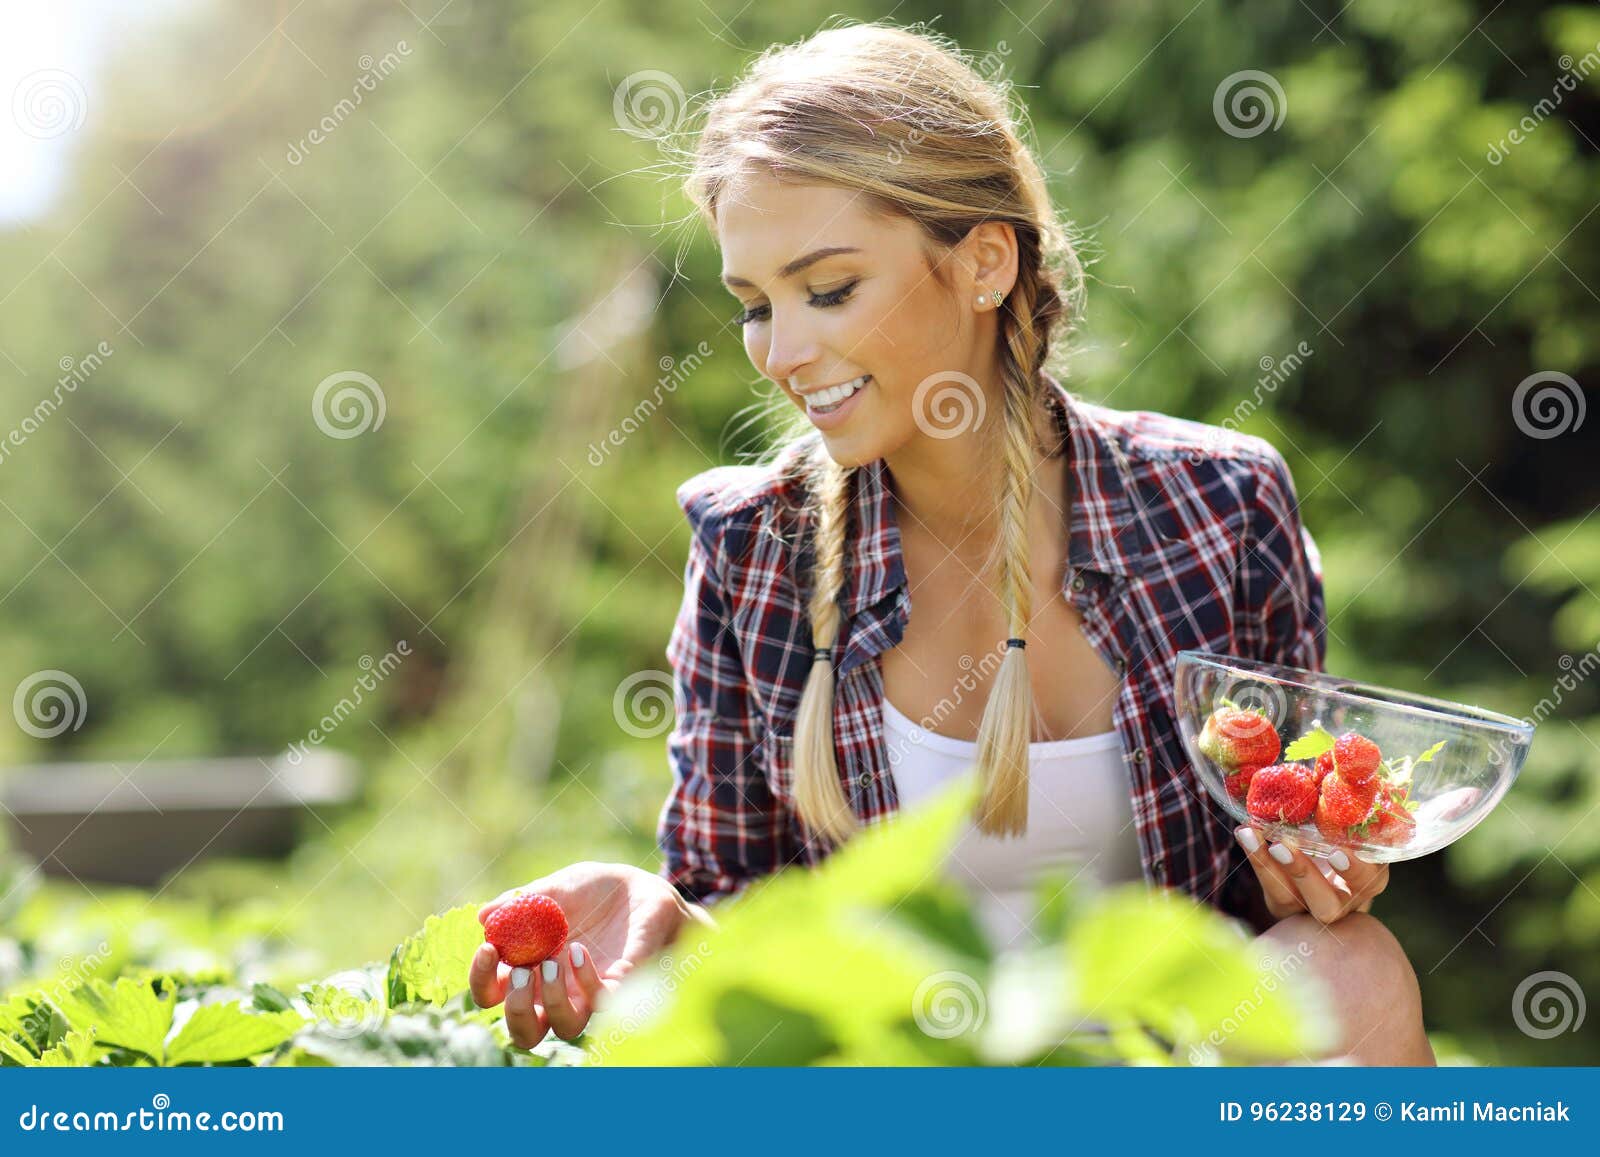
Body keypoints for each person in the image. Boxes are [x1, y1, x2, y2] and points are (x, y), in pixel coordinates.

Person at [470, 20, 1435, 1066]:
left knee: (1358, 966)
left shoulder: (1219, 505)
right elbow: (748, 945)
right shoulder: (752, 548)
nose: (783, 353)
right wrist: (653, 915)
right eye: (755, 305)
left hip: (1170, 1072)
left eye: (828, 288)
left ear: (982, 260)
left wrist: (1317, 866)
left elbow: (1275, 879)